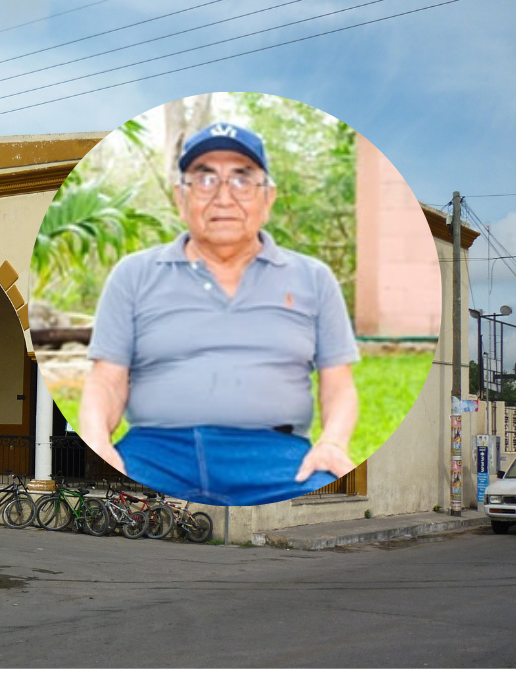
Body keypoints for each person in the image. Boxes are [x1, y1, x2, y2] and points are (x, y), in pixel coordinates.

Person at [79, 121, 360, 506]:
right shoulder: (134, 274)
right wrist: (97, 445)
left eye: (242, 180)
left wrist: (331, 442)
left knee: (331, 512)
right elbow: (106, 381)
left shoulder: (314, 278)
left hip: (276, 459)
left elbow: (339, 385)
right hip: (154, 454)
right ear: (181, 198)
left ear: (268, 197)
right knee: (96, 518)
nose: (224, 197)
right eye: (205, 180)